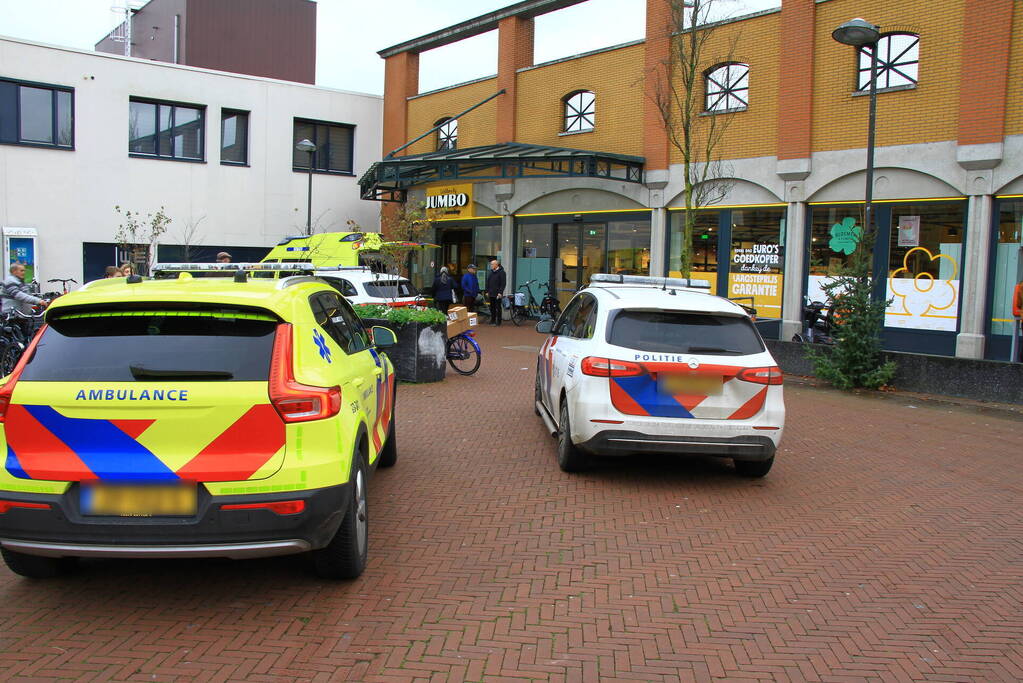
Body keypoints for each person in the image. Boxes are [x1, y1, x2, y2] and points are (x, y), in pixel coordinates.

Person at [486, 259, 507, 326]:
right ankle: (493, 320)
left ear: (496, 265)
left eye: (492, 264)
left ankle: (498, 321)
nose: (491, 265)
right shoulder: (491, 272)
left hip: (498, 293)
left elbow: (503, 283)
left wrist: (500, 292)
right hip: (491, 293)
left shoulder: (502, 272)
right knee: (492, 307)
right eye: (491, 264)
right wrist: (487, 291)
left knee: (498, 308)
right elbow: (488, 282)